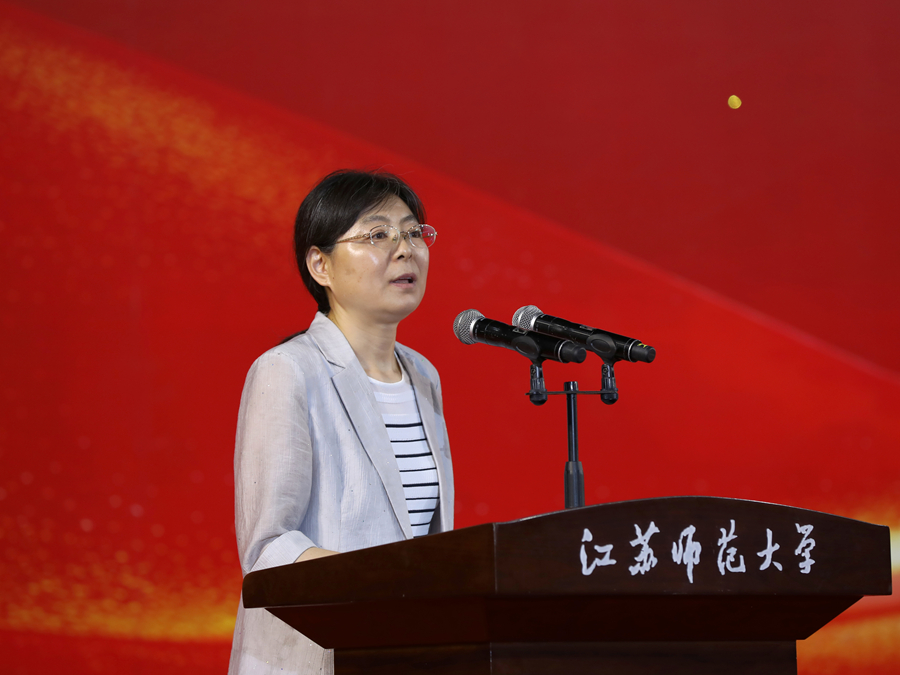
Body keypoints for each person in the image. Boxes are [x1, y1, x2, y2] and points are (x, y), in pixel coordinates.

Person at [227, 170, 454, 674]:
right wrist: (383, 581)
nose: (405, 249)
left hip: (403, 655)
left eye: (413, 232)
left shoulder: (423, 377)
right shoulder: (288, 371)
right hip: (316, 659)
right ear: (321, 264)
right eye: (378, 235)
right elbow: (268, 548)